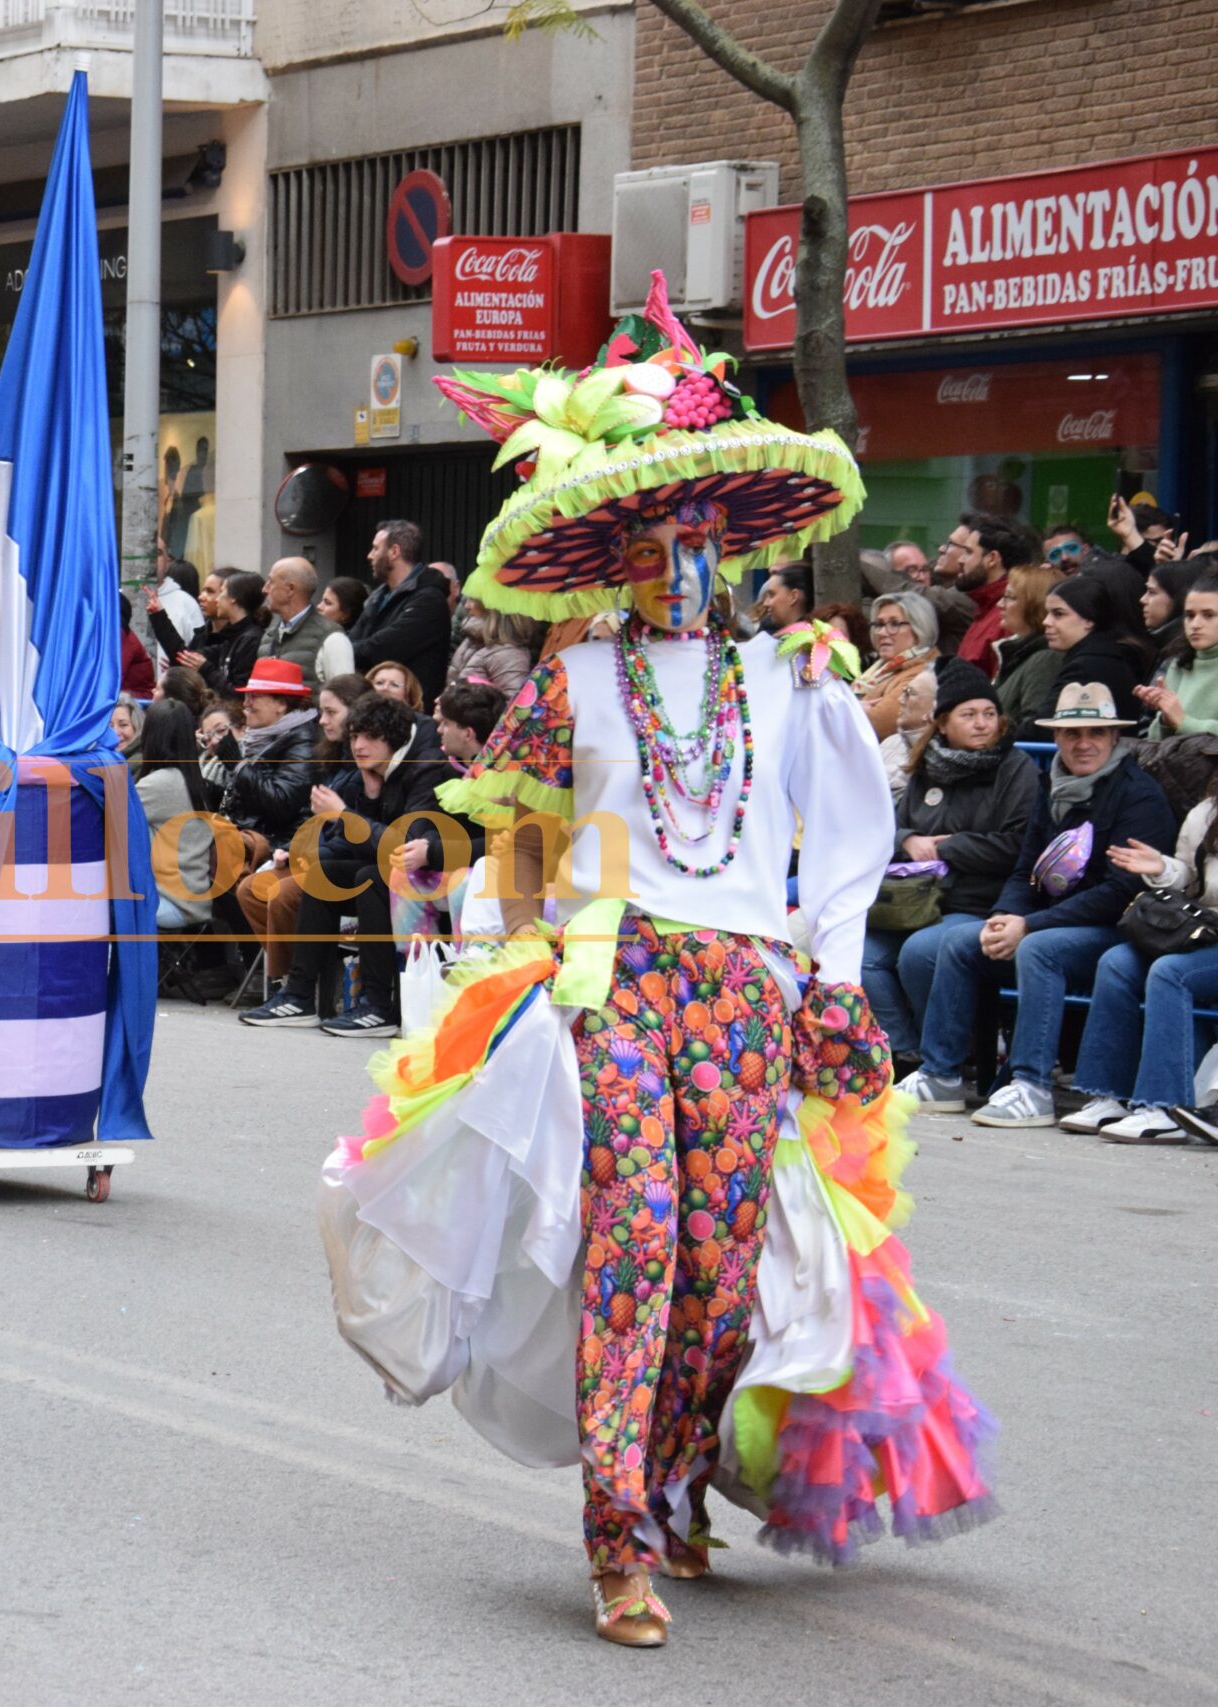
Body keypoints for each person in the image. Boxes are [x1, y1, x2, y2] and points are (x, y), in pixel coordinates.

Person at [326, 277, 991, 1648]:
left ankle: (681, 1476)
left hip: (745, 991)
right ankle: (616, 1533)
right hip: (614, 978)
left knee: (717, 1260)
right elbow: (517, 841)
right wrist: (500, 963)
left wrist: (828, 971)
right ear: (619, 557)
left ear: (733, 546)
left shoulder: (790, 676)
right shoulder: (572, 685)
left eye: (701, 542)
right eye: (655, 544)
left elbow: (850, 831)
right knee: (634, 1240)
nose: (682, 566)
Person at [900, 679, 1179, 1125]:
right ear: (1057, 738)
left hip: (1114, 929)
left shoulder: (1137, 794)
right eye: (1072, 734)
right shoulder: (1052, 785)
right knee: (960, 942)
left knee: (1038, 950)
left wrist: (1029, 925)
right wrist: (1003, 916)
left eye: (1096, 733)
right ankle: (941, 1075)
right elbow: (1024, 869)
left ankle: (1033, 1087)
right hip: (1049, 920)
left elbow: (1119, 893)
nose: (1083, 744)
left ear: (1114, 737)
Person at [241, 693, 457, 1036]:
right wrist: (368, 797)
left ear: (393, 738)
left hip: (439, 871)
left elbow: (404, 847)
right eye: (355, 736)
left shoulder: (425, 768)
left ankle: (377, 1006)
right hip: (395, 870)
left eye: (370, 737)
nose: (358, 745)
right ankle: (298, 996)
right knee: (323, 875)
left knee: (370, 878)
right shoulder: (376, 769)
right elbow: (367, 844)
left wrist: (345, 815)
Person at [856, 673, 1040, 1063]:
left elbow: (1018, 845)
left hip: (978, 902)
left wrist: (949, 848)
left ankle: (945, 1057)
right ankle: (907, 1051)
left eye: (989, 713)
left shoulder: (1015, 767)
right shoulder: (927, 766)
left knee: (919, 952)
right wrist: (908, 839)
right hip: (915, 901)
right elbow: (887, 829)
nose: (982, 723)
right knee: (862, 954)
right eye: (969, 715)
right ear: (942, 723)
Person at [1063, 777, 1218, 1144]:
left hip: (1206, 942)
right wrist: (1161, 868)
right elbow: (1189, 877)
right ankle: (1109, 1095)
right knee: (1116, 962)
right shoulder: (1206, 812)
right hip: (1203, 930)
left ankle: (1163, 1106)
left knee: (1170, 973)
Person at [218, 657, 322, 1000]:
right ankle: (252, 966)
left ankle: (269, 970)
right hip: (263, 832)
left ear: (282, 703)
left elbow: (282, 801)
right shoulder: (264, 736)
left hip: (289, 840)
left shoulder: (303, 740)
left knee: (226, 859)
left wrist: (237, 766)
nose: (246, 703)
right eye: (246, 696)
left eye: (255, 696)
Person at [133, 697, 217, 930]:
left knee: (97, 909)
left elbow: (110, 822)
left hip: (171, 904)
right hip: (193, 902)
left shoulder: (160, 783)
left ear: (150, 736)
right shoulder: (192, 777)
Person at [1038, 572, 1157, 727]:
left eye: (1058, 614)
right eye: (1047, 613)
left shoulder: (1086, 667)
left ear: (1089, 619)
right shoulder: (1102, 656)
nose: (1046, 621)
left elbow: (1044, 726)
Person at [351, 518, 451, 698]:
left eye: (375, 548)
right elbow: (355, 639)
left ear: (394, 551)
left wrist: (342, 650)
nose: (370, 555)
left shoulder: (429, 601)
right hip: (373, 703)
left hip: (409, 708)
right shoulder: (378, 597)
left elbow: (380, 650)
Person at [940, 510, 1036, 676]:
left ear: (992, 558)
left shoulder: (1008, 617)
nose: (961, 560)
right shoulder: (986, 608)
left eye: (968, 552)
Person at [1138, 566, 1218, 735]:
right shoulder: (1178, 662)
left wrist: (1183, 722)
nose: (1195, 624)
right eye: (1190, 615)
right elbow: (1155, 741)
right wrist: (1165, 718)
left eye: (1208, 615)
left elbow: (1181, 723)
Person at [991, 563, 1066, 738]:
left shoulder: (1045, 659)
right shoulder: (1019, 654)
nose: (1000, 604)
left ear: (1035, 605)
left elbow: (1035, 730)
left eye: (1010, 597)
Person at [854, 589, 940, 738]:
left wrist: (845, 709)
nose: (881, 632)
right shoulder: (878, 670)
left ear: (919, 628)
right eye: (879, 624)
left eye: (894, 624)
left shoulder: (923, 674)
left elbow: (874, 725)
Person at [256, 556, 337, 685]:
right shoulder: (269, 636)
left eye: (271, 582)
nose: (264, 589)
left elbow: (345, 694)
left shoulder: (331, 638)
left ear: (290, 589)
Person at [186, 568, 266, 697]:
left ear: (233, 598)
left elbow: (239, 694)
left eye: (222, 592)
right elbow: (188, 655)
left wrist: (206, 668)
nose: (217, 600)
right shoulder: (231, 636)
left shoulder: (251, 639)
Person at [446, 597, 535, 696]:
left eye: (474, 600)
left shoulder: (509, 654)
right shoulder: (473, 638)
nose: (467, 605)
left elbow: (511, 701)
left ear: (494, 609)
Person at [754, 561, 812, 632]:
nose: (766, 603)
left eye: (772, 595)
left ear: (793, 597)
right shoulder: (767, 630)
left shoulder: (808, 637)